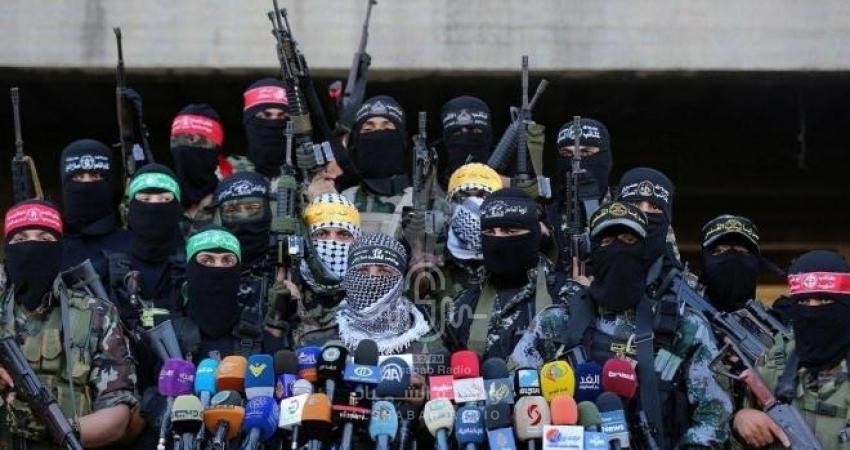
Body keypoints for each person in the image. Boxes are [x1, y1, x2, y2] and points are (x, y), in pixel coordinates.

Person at [517, 201, 732, 448]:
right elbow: (519, 400)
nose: (618, 250)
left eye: (629, 241)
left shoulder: (684, 327)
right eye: (607, 242)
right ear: (592, 253)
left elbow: (715, 412)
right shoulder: (554, 323)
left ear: (645, 252)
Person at [0, 200, 138, 449]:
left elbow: (118, 414)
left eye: (44, 238)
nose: (31, 248)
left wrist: (58, 430)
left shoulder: (96, 314)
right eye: (20, 239)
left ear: (59, 250)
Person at [731, 250, 850, 449]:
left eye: (824, 300)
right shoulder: (774, 363)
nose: (812, 312)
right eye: (803, 301)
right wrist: (740, 420)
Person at [444, 188, 567, 364]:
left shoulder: (566, 296)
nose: (497, 240)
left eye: (509, 231)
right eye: (489, 232)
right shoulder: (461, 306)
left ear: (533, 235)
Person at [410, 163, 503, 319]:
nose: (472, 202)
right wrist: (418, 284)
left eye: (483, 195)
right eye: (462, 196)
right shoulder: (431, 258)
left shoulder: (513, 258)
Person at [105, 163, 186, 336]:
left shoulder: (195, 262)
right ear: (130, 208)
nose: (154, 207)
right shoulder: (109, 265)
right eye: (145, 199)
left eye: (165, 199)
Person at [289, 193, 361, 348]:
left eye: (344, 234)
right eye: (321, 234)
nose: (332, 242)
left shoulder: (369, 297)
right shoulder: (288, 286)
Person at [341, 95, 412, 238]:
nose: (378, 135)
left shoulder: (423, 202)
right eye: (368, 129)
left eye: (387, 128)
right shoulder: (343, 201)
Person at [547, 118, 612, 273]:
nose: (576, 163)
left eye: (586, 152)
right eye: (566, 153)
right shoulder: (546, 216)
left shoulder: (628, 211)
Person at [58, 139, 129, 277]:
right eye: (78, 176)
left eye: (95, 176)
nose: (86, 184)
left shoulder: (132, 244)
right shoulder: (52, 245)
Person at [169, 103, 230, 236]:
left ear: (216, 148)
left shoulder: (232, 202)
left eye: (197, 140)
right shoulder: (160, 202)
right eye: (177, 139)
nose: (184, 147)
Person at [614, 166, 682, 275]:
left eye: (654, 207)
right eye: (635, 204)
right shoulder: (592, 276)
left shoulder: (680, 282)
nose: (644, 212)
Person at [439, 96, 493, 187]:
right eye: (456, 132)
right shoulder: (434, 184)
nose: (465, 138)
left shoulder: (505, 180)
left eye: (473, 130)